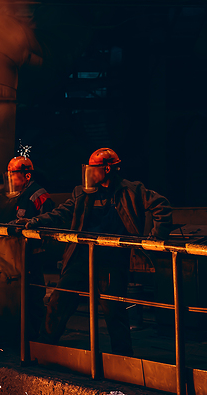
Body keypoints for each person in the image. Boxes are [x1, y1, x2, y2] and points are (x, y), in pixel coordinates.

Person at [26, 148, 172, 355]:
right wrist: (35, 221)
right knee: (58, 304)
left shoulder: (131, 190)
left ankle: (122, 358)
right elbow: (61, 213)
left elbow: (161, 205)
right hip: (80, 258)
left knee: (113, 312)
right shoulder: (82, 193)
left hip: (111, 261)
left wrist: (156, 237)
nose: (90, 173)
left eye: (93, 169)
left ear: (107, 168)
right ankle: (43, 350)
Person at [5, 156, 55, 341]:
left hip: (34, 255)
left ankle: (36, 339)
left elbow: (49, 224)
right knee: (24, 296)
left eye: (13, 175)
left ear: (26, 175)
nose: (10, 179)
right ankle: (27, 336)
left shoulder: (38, 195)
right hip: (22, 255)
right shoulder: (23, 195)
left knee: (33, 297)